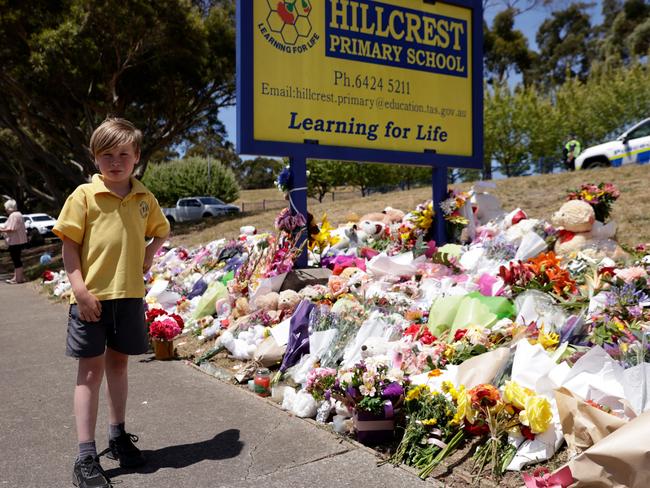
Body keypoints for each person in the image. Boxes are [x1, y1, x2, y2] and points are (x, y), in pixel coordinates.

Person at [53, 118, 170, 488]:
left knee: (118, 365)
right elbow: (68, 246)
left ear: (136, 156)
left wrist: (149, 256)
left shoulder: (144, 198)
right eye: (107, 154)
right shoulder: (83, 197)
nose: (115, 161)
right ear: (95, 157)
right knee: (89, 373)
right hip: (92, 300)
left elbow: (162, 231)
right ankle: (85, 455)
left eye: (123, 153)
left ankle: (117, 435)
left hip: (130, 296)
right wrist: (80, 291)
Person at [0, 199, 28, 284]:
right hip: (19, 240)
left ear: (10, 208)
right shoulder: (18, 214)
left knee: (16, 259)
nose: (6, 210)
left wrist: (1, 230)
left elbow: (11, 228)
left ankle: (18, 278)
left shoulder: (13, 215)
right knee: (16, 259)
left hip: (15, 241)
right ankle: (16, 277)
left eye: (6, 208)